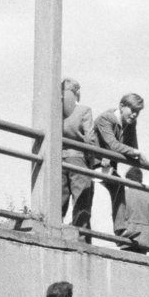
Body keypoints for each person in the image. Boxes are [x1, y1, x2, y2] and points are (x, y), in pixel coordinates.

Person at [94, 94, 144, 218]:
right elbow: (113, 145)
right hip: (90, 162)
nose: (135, 115)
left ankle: (120, 230)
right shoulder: (106, 118)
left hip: (107, 166)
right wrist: (135, 152)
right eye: (133, 110)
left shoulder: (130, 123)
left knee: (118, 187)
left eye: (137, 112)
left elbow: (133, 147)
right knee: (85, 200)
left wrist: (135, 153)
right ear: (122, 106)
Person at [60, 78, 97, 229]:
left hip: (60, 158)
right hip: (79, 158)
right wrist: (91, 160)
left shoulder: (57, 112)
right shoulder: (84, 110)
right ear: (77, 93)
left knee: (59, 200)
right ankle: (80, 236)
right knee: (81, 200)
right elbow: (90, 139)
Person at [111, 166, 149, 252]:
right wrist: (146, 227)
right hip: (145, 237)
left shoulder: (123, 194)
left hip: (128, 235)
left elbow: (118, 215)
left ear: (129, 179)